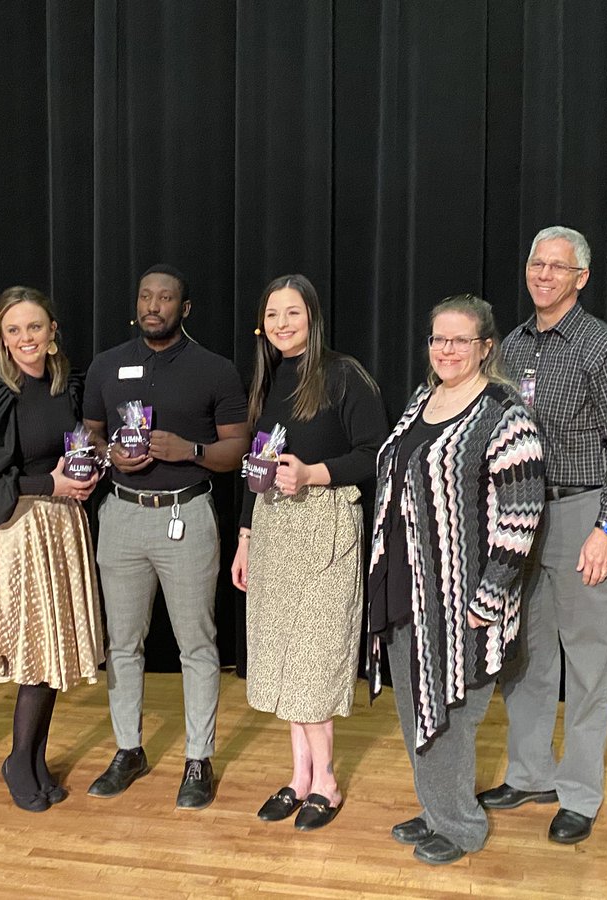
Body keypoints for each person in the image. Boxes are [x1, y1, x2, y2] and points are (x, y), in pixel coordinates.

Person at [479, 226, 607, 845]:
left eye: (558, 266)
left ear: (581, 278)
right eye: (537, 263)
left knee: (587, 662)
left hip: (584, 515)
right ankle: (530, 774)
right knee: (524, 656)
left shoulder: (604, 348)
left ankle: (579, 792)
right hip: (521, 516)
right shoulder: (511, 345)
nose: (544, 274)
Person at [366, 294, 546, 865]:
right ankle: (437, 809)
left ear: (485, 346)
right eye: (437, 339)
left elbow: (521, 518)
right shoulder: (423, 400)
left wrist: (488, 596)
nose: (446, 350)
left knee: (450, 716)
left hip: (463, 598)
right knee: (417, 709)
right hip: (408, 588)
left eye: (459, 340)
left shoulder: (505, 415)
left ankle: (462, 826)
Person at [83, 264, 248, 809]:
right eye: (146, 296)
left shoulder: (215, 369)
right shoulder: (107, 364)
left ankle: (198, 758)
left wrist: (191, 450)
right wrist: (107, 453)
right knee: (122, 643)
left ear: (185, 307)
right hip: (121, 516)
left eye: (166, 298)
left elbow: (238, 449)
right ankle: (128, 749)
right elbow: (90, 433)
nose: (153, 306)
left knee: (196, 644)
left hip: (187, 515)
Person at [230, 274, 387, 831]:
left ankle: (327, 783)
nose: (282, 324)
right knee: (284, 657)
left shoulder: (344, 375)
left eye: (292, 312)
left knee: (314, 659)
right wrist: (245, 538)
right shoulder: (269, 379)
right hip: (273, 527)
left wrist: (313, 473)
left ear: (313, 317)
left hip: (326, 525)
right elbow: (257, 467)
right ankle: (300, 777)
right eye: (272, 314)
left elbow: (376, 454)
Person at [0, 286, 105, 813]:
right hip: (22, 531)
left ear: (52, 332)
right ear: (2, 338)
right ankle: (19, 760)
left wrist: (87, 475)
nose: (25, 338)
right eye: (14, 330)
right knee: (37, 655)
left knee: (55, 651)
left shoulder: (69, 389)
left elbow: (79, 451)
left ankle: (36, 759)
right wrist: (50, 485)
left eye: (34, 327)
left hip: (65, 526)